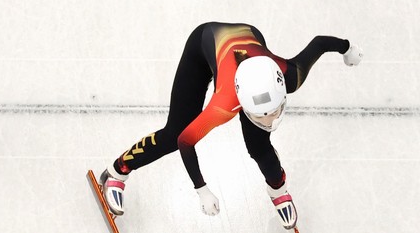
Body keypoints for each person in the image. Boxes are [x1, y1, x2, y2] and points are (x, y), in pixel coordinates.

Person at [97, 22, 363, 229]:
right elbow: (185, 141)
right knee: (173, 133)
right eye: (261, 115)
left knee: (259, 146)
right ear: (240, 105)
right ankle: (118, 171)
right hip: (203, 44)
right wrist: (201, 188)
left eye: (274, 111)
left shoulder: (290, 75)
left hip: (249, 40)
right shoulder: (224, 103)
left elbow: (320, 43)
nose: (270, 120)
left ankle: (278, 190)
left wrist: (347, 48)